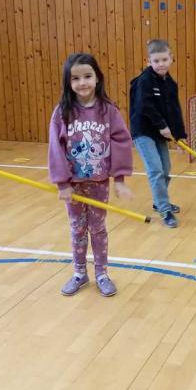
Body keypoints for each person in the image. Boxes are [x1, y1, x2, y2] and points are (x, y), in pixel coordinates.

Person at [48, 53, 133, 297]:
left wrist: (119, 179)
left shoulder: (108, 111)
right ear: (68, 82)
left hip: (98, 183)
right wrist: (62, 183)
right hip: (73, 185)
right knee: (77, 229)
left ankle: (102, 274)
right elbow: (56, 148)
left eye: (87, 76)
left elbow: (121, 142)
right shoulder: (62, 112)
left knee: (97, 228)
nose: (82, 82)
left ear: (97, 78)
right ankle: (79, 273)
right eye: (75, 78)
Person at [129, 39, 187, 228]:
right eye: (156, 61)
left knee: (166, 168)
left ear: (171, 58)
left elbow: (174, 111)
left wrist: (180, 136)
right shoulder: (144, 81)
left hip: (159, 133)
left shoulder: (170, 84)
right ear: (149, 61)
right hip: (143, 131)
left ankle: (158, 201)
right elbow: (144, 105)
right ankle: (164, 209)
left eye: (164, 59)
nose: (161, 64)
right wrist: (161, 125)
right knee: (155, 170)